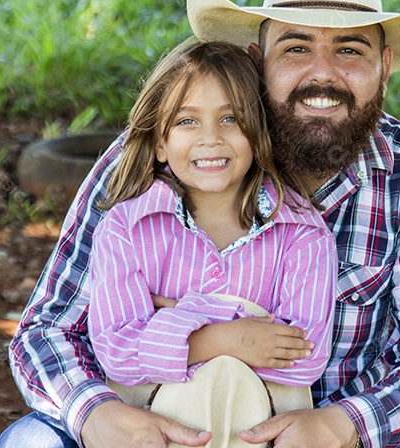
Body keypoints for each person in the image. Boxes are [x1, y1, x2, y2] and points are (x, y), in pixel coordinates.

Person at [0, 0, 400, 448]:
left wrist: (346, 425)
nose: (322, 75)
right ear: (256, 58)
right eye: (296, 47)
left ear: (383, 69)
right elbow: (46, 331)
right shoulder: (158, 160)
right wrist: (96, 416)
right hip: (154, 425)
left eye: (350, 50)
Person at [85, 39, 336, 447]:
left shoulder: (302, 234)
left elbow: (301, 363)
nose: (210, 139)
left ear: (259, 134)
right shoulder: (126, 230)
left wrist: (172, 322)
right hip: (159, 435)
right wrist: (226, 336)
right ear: (160, 142)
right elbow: (116, 352)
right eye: (186, 121)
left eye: (231, 119)